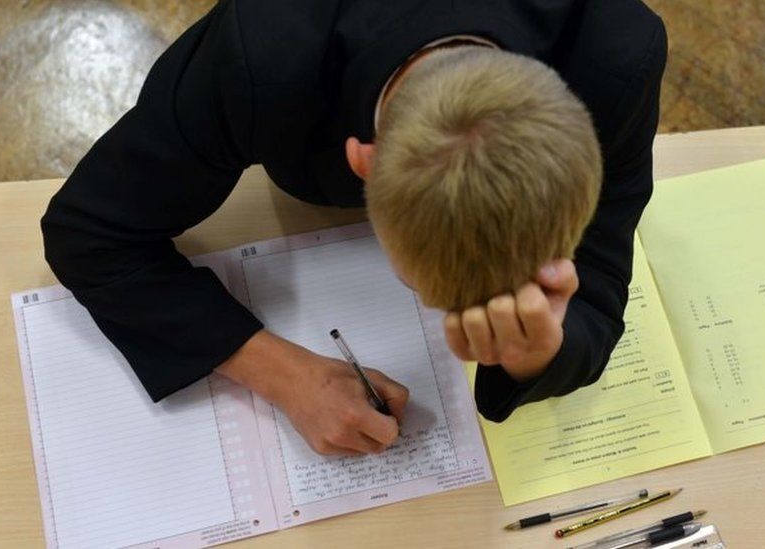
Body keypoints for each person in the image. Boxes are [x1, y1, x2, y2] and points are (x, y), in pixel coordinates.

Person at [40, 0, 667, 457]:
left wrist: (545, 350)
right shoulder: (261, 53)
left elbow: (602, 271)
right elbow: (89, 231)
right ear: (362, 164)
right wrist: (277, 370)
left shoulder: (614, 53)